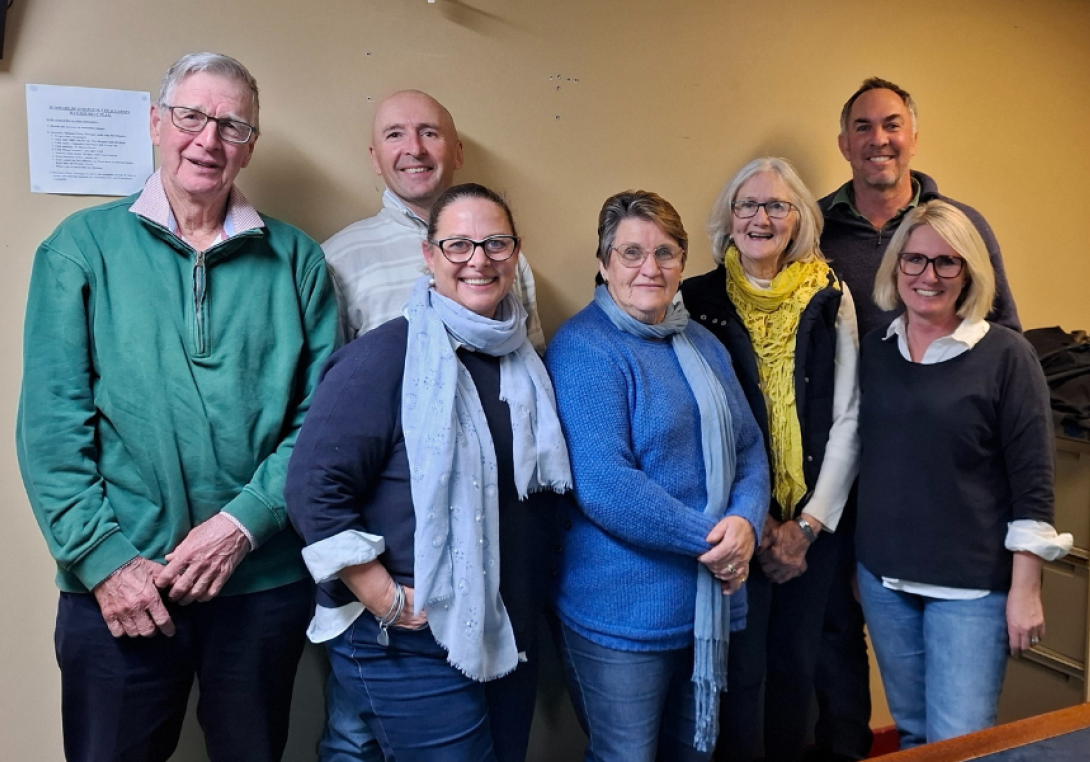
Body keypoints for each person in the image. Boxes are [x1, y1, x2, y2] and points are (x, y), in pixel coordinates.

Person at [16, 52, 339, 762]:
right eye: (191, 116)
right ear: (156, 124)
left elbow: (318, 427)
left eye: (231, 124)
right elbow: (51, 427)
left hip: (259, 583)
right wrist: (106, 562)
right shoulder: (80, 248)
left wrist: (241, 525)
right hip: (119, 586)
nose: (208, 139)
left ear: (250, 144)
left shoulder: (298, 261)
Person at [285, 183, 572, 762]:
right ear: (429, 255)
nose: (479, 260)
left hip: (503, 623)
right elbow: (311, 487)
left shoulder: (523, 362)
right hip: (408, 637)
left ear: (515, 254)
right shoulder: (385, 357)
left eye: (495, 243)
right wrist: (384, 596)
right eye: (458, 244)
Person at [812, 78, 1023, 762]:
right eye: (865, 128)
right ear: (844, 143)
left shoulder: (959, 225)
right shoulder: (814, 230)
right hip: (861, 491)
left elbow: (1003, 344)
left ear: (913, 135)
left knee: (958, 732)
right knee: (857, 671)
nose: (880, 140)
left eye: (893, 125)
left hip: (955, 507)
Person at [546, 190, 770, 762]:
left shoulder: (703, 344)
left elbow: (748, 449)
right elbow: (605, 484)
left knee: (695, 754)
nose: (651, 267)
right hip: (621, 612)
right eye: (631, 253)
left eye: (666, 253)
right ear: (603, 263)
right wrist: (716, 544)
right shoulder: (583, 347)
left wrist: (745, 521)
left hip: (707, 601)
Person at [856, 199, 1071, 748]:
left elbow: (1033, 486)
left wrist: (1026, 591)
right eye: (915, 260)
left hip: (972, 590)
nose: (928, 276)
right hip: (885, 581)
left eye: (947, 263)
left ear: (971, 271)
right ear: (896, 266)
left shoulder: (1006, 355)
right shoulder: (875, 351)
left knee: (961, 744)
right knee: (912, 736)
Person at [679, 158, 860, 762]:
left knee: (795, 671)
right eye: (747, 205)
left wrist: (807, 526)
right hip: (734, 526)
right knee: (740, 674)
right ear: (729, 220)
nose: (762, 218)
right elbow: (695, 422)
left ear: (801, 220)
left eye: (778, 206)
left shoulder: (833, 297)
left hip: (814, 527)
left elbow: (850, 416)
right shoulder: (695, 300)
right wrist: (757, 524)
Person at [322, 89, 543, 349]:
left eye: (429, 133)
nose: (415, 149)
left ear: (457, 153)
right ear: (375, 158)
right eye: (395, 135)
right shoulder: (337, 259)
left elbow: (534, 360)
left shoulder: (504, 254)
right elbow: (332, 381)